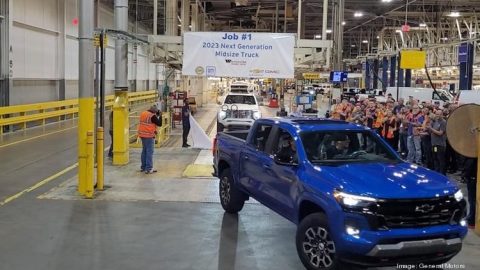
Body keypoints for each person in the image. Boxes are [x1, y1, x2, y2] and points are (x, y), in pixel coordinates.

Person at [138, 105, 162, 174]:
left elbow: (148, 124)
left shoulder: (143, 113)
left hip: (142, 135)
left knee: (144, 151)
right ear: (154, 111)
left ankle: (143, 167)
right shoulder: (152, 116)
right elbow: (159, 124)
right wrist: (160, 116)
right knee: (149, 152)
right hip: (149, 136)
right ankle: (149, 168)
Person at [429, 109, 447, 174]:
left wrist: (431, 129)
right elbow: (430, 129)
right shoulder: (435, 121)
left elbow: (440, 133)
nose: (437, 115)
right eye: (436, 114)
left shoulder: (443, 122)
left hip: (440, 144)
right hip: (434, 144)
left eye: (439, 114)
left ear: (442, 115)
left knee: (440, 159)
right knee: (435, 158)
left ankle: (442, 173)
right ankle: (437, 172)